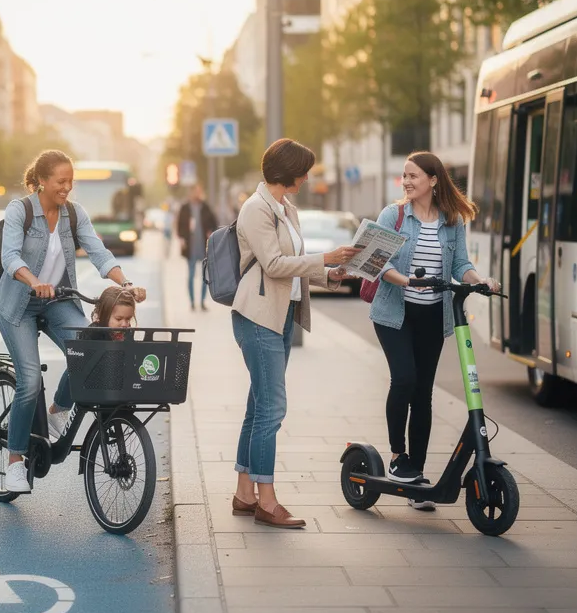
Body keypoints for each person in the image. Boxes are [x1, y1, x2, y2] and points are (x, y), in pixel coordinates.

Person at [0, 149, 148, 494]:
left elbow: (99, 252)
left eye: (70, 182)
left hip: (57, 301)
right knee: (30, 378)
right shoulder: (20, 210)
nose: (67, 188)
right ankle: (15, 461)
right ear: (42, 181)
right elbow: (9, 256)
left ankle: (56, 409)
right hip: (18, 303)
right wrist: (34, 282)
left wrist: (124, 283)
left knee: (90, 350)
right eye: (61, 181)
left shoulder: (73, 215)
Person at [230, 138, 359, 529]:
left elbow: (294, 264)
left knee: (258, 407)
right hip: (258, 316)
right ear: (287, 170)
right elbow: (273, 263)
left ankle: (244, 493)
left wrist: (330, 274)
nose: (306, 177)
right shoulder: (256, 209)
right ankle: (266, 501)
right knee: (272, 409)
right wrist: (325, 257)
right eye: (303, 170)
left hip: (280, 315)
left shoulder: (286, 208)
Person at [369, 152, 500, 508]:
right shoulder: (393, 216)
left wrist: (480, 281)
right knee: (405, 380)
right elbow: (379, 264)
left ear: (433, 179)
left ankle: (416, 472)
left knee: (423, 393)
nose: (407, 181)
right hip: (394, 313)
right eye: (404, 175)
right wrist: (410, 280)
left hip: (432, 316)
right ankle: (398, 457)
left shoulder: (452, 220)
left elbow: (461, 264)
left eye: (413, 176)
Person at [176, 185, 218, 311]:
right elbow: (179, 225)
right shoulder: (185, 208)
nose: (197, 194)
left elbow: (214, 222)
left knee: (205, 276)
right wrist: (182, 238)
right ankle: (192, 302)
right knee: (191, 275)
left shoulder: (205, 207)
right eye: (195, 192)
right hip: (190, 247)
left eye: (199, 192)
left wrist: (211, 232)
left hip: (203, 246)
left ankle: (202, 301)